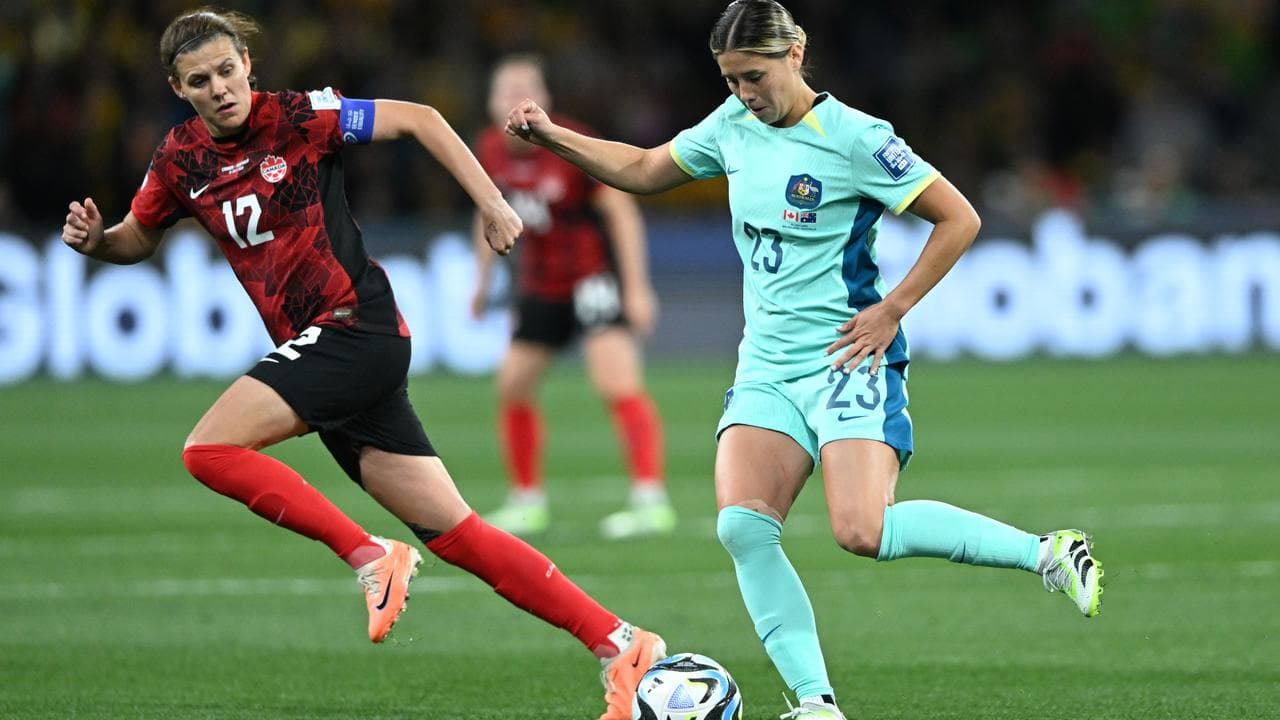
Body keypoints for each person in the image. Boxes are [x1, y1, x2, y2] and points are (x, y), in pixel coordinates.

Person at [504, 2, 1104, 718]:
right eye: (729, 81)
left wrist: (893, 309)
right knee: (742, 526)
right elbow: (640, 168)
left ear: (796, 53)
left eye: (753, 76)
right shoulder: (731, 128)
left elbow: (959, 217)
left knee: (863, 531)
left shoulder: (856, 139)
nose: (743, 95)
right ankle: (817, 705)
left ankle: (1048, 552)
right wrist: (551, 137)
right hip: (766, 364)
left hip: (846, 359)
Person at [59, 10, 662, 720]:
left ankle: (371, 556)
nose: (220, 88)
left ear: (248, 62)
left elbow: (424, 119)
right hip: (333, 353)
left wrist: (493, 203)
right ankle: (621, 643)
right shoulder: (179, 159)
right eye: (200, 81)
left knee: (209, 449)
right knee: (460, 534)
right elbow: (139, 236)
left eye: (227, 70)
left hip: (354, 328)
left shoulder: (303, 117)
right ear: (178, 87)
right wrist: (98, 242)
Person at [471, 55, 674, 540]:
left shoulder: (570, 141)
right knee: (512, 385)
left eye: (527, 88)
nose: (517, 98)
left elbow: (621, 212)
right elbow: (487, 214)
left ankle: (651, 501)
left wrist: (638, 288)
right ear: (491, 102)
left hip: (591, 281)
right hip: (540, 285)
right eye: (507, 89)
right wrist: (481, 283)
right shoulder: (488, 150)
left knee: (617, 383)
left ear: (545, 98)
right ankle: (527, 502)